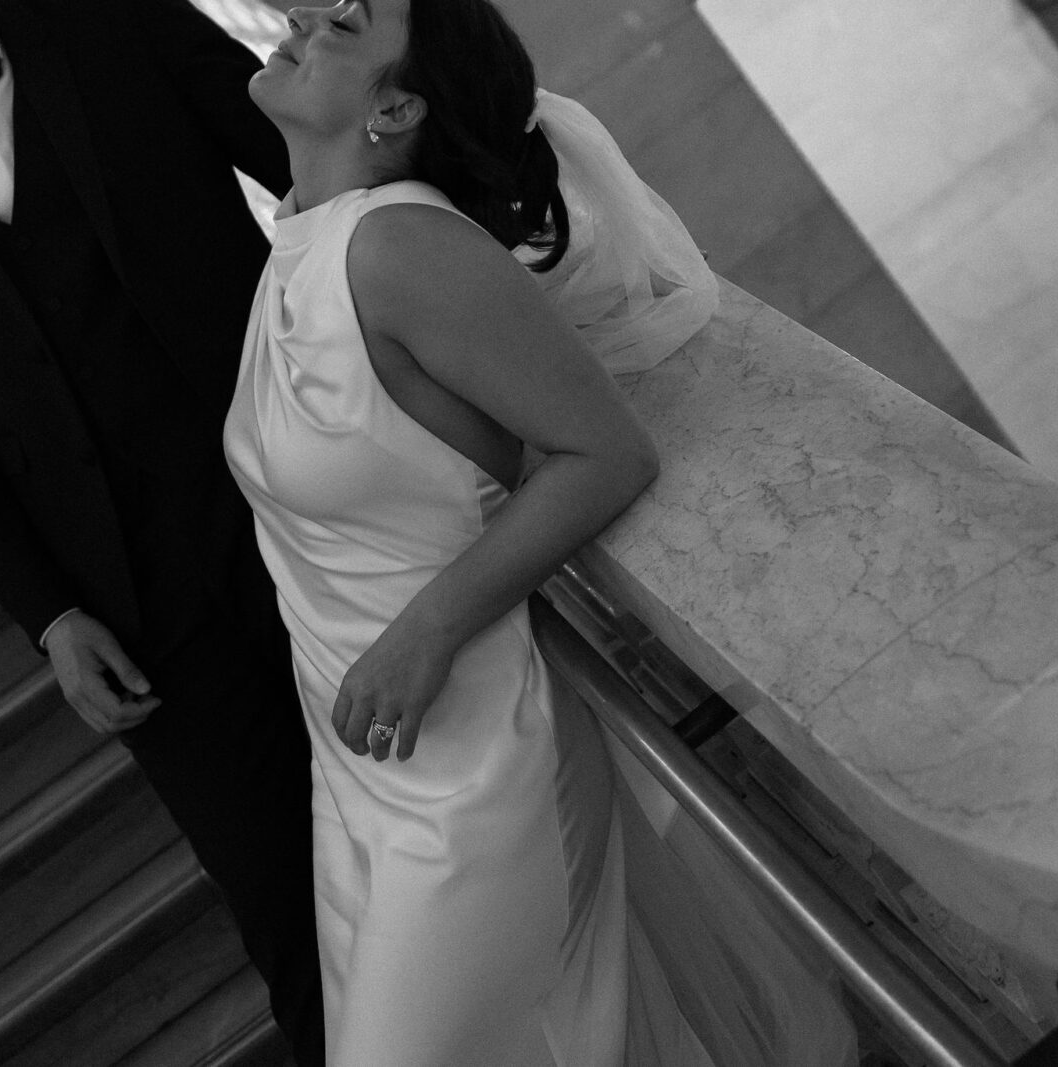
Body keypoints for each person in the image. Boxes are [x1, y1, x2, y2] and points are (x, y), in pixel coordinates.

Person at [0, 0, 324, 1060]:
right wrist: (49, 615)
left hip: (316, 497)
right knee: (288, 913)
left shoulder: (100, 14)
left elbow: (297, 149)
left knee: (457, 822)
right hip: (140, 605)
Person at [222, 0, 745, 1063]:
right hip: (365, 772)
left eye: (344, 25)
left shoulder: (402, 245)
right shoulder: (304, 238)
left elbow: (606, 450)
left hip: (476, 771)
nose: (303, 17)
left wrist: (426, 627)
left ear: (396, 104)